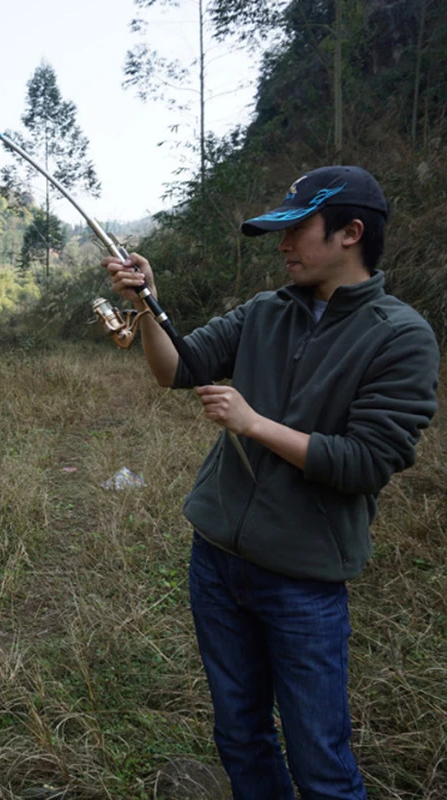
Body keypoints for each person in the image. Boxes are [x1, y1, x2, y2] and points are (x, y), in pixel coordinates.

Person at [101, 165, 439, 800]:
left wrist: (255, 423)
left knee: (321, 760)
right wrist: (148, 304)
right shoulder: (265, 312)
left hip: (303, 579)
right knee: (240, 734)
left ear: (351, 233)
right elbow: (176, 370)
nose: (282, 245)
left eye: (296, 229)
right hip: (217, 562)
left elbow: (368, 461)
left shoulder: (400, 337)